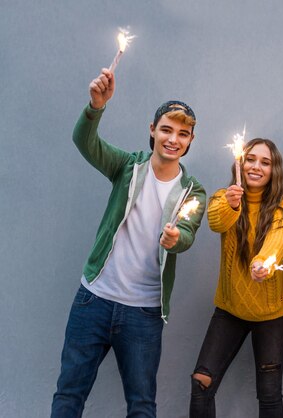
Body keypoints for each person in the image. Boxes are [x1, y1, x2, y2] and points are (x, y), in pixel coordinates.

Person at [51, 68, 207, 417]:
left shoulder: (192, 191)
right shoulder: (127, 167)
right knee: (69, 394)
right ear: (152, 131)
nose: (173, 139)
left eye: (183, 134)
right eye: (166, 129)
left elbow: (187, 233)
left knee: (141, 405)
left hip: (143, 312)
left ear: (191, 140)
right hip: (93, 300)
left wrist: (174, 237)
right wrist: (96, 107)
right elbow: (85, 142)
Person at [190, 138, 283, 418]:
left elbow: (278, 240)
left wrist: (263, 262)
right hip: (230, 310)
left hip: (272, 315)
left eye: (265, 162)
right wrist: (231, 203)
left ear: (274, 170)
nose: (256, 167)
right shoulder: (221, 197)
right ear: (240, 162)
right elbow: (216, 222)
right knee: (202, 382)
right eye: (251, 159)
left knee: (270, 394)